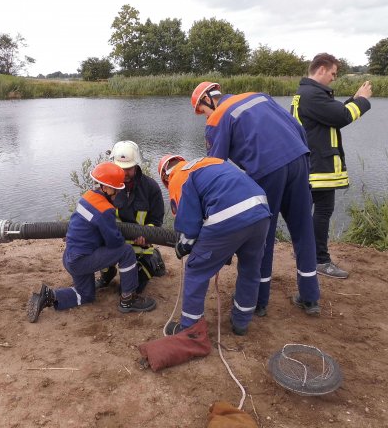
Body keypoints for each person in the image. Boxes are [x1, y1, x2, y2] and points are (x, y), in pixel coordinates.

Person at [191, 81, 321, 316]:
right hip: (300, 158)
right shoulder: (258, 95)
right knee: (303, 230)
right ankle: (310, 298)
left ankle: (259, 301)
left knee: (263, 237)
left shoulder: (217, 117)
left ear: (206, 101)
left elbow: (215, 167)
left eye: (201, 111)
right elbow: (297, 127)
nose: (204, 117)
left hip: (267, 169)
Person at [27, 161, 157, 322]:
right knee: (126, 251)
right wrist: (132, 238)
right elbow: (114, 243)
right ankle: (128, 299)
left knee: (86, 295)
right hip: (82, 260)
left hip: (71, 258)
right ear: (107, 188)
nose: (119, 194)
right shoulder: (104, 210)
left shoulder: (88, 197)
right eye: (117, 189)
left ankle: (49, 296)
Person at [158, 154, 271, 336]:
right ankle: (241, 322)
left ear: (164, 176)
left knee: (196, 269)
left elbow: (188, 223)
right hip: (261, 210)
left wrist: (184, 245)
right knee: (250, 268)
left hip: (228, 216)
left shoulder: (177, 177)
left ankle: (190, 328)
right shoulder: (208, 162)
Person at [291, 53, 373, 279]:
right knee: (323, 211)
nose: (334, 79)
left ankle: (303, 251)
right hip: (319, 165)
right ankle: (321, 260)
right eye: (333, 74)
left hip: (310, 163)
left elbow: (332, 116)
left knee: (308, 211)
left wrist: (353, 100)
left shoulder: (305, 93)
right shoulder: (313, 95)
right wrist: (363, 101)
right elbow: (343, 117)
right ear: (321, 70)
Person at [95, 140, 166, 293]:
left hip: (141, 247)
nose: (125, 173)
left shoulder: (150, 187)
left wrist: (147, 235)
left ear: (136, 166)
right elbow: (96, 214)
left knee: (130, 289)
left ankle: (154, 258)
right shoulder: (106, 187)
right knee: (98, 253)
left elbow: (157, 220)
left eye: (129, 168)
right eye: (121, 168)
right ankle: (108, 273)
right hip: (115, 243)